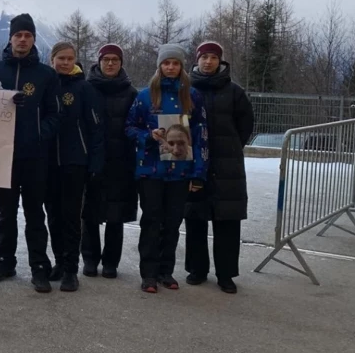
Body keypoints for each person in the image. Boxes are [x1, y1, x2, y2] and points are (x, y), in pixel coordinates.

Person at [0, 14, 62, 293]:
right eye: (18, 35)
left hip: (34, 157)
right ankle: (5, 262)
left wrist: (38, 134)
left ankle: (39, 267)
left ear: (33, 39)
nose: (22, 39)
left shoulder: (46, 74)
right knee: (5, 212)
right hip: (3, 157)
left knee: (34, 213)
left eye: (28, 35)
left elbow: (56, 114)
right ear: (10, 38)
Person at [125, 43, 208, 294]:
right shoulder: (144, 96)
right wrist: (148, 135)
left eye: (175, 63)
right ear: (159, 66)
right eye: (166, 63)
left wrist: (199, 172)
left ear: (182, 66)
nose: (170, 67)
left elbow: (201, 134)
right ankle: (148, 273)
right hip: (150, 170)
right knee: (151, 221)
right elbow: (129, 128)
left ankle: (166, 270)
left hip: (180, 171)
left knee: (172, 223)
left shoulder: (192, 96)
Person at [185, 41, 254, 294]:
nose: (208, 61)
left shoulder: (234, 92)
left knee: (227, 220)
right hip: (194, 164)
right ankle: (197, 269)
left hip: (227, 166)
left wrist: (231, 148)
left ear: (220, 61)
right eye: (204, 57)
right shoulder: (187, 89)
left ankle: (226, 274)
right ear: (197, 60)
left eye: (214, 57)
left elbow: (245, 125)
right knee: (195, 217)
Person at [46, 43, 104, 292]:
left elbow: (96, 128)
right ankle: (59, 261)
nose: (65, 63)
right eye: (61, 58)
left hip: (75, 162)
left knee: (71, 217)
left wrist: (95, 162)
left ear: (76, 61)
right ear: (52, 59)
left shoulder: (84, 88)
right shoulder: (47, 84)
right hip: (48, 162)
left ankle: (71, 269)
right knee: (53, 217)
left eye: (70, 58)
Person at [82, 44, 138, 279]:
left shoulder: (131, 92)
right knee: (89, 213)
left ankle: (111, 262)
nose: (111, 64)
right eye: (106, 60)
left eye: (115, 60)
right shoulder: (87, 88)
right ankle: (90, 259)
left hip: (121, 161)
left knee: (116, 214)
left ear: (121, 63)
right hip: (90, 160)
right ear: (99, 62)